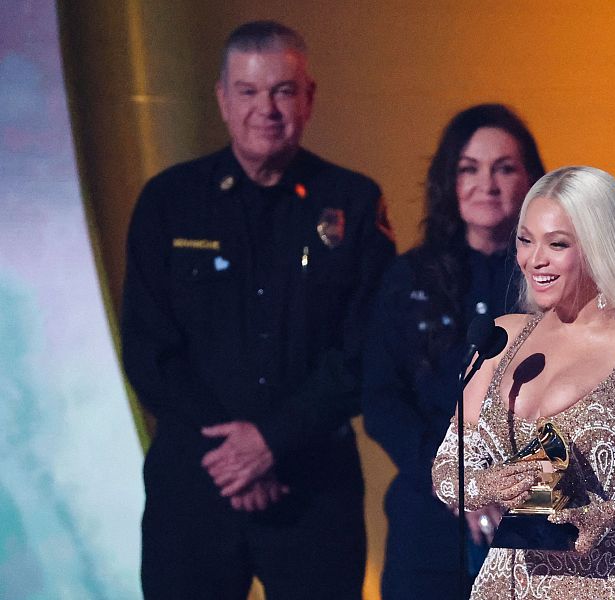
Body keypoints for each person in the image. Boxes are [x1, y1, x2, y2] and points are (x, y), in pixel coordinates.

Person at [121, 20, 395, 600]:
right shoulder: (168, 202)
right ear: (223, 99)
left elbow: (367, 351)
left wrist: (271, 440)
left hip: (313, 489)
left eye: (282, 91)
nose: (265, 108)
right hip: (194, 490)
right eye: (248, 91)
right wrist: (234, 454)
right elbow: (149, 352)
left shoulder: (352, 202)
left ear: (309, 97)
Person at [431, 166, 615, 598]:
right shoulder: (500, 339)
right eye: (525, 239)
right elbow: (447, 471)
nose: (534, 259)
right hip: (506, 586)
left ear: (600, 247)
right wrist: (486, 485)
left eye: (557, 244)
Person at [362, 104, 545, 599]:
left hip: (537, 517)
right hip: (429, 518)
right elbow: (381, 400)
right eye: (470, 168)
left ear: (532, 181)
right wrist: (455, 481)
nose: (487, 185)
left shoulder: (562, 281)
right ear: (450, 179)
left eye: (505, 168)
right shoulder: (408, 278)